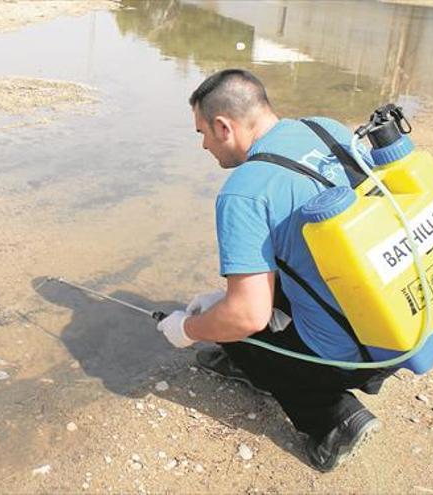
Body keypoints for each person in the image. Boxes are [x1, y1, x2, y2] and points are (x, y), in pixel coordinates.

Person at [156, 68, 392, 472]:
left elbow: (246, 315)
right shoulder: (325, 128)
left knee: (235, 322)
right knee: (239, 298)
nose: (203, 146)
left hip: (362, 349)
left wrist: (187, 330)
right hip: (396, 306)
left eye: (202, 134)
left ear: (222, 126)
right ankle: (260, 358)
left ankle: (333, 419)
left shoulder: (244, 191)